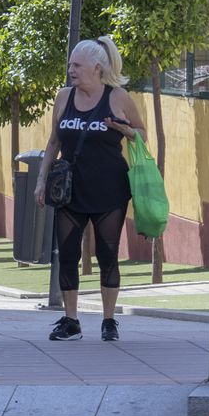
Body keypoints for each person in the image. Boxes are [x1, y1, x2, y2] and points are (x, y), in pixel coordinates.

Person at [36, 36, 146, 342]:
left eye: (77, 65)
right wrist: (42, 179)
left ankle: (109, 320)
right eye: (70, 64)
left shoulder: (118, 97)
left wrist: (124, 128)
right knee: (67, 252)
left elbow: (141, 134)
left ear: (96, 68)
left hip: (110, 190)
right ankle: (71, 321)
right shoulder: (63, 97)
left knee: (107, 254)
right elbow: (53, 142)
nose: (71, 70)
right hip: (69, 190)